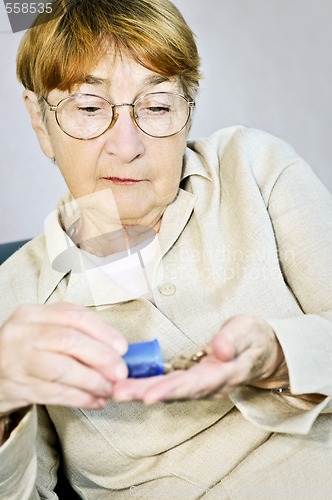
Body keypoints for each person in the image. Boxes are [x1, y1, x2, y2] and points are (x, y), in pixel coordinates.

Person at [1, 0, 332, 498]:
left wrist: (278, 357)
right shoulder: (13, 298)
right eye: (89, 108)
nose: (127, 145)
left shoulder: (255, 168)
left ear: (188, 109)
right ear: (39, 121)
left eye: (157, 106)